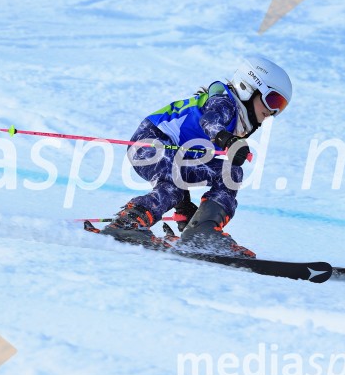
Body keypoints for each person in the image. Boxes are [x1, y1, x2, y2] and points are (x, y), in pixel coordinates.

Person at [102, 54, 293, 257]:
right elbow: (210, 122)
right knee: (175, 183)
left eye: (280, 106)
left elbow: (180, 163)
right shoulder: (224, 103)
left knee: (229, 172)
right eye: (273, 100)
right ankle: (128, 223)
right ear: (248, 88)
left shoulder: (232, 114)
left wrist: (186, 210)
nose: (273, 111)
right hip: (150, 142)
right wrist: (228, 141)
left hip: (171, 151)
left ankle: (202, 231)